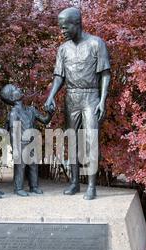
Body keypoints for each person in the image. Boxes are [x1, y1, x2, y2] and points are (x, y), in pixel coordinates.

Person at [44, 7, 111, 200]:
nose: (62, 31)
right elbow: (59, 76)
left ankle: (91, 186)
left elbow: (105, 74)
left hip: (91, 96)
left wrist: (102, 101)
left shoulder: (96, 44)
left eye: (65, 27)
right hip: (71, 97)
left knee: (91, 141)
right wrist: (50, 97)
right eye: (60, 28)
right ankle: (74, 182)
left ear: (77, 24)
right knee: (72, 141)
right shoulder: (63, 49)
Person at [0, 84, 53, 196]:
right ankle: (18, 188)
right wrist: (15, 149)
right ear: (12, 98)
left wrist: (50, 112)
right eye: (14, 89)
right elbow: (13, 133)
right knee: (21, 166)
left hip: (32, 143)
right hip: (21, 144)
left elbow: (45, 120)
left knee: (33, 165)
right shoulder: (14, 113)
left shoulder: (31, 110)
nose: (18, 88)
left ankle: (34, 186)